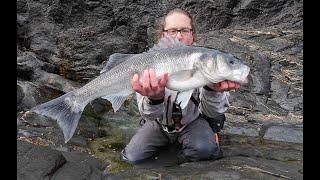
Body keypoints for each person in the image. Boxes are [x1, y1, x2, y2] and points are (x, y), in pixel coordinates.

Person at [120, 8, 240, 164]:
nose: (178, 36)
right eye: (172, 31)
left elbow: (212, 112)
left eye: (184, 30)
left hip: (192, 123)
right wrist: (155, 99)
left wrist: (212, 90)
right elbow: (148, 115)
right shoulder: (146, 62)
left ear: (192, 34)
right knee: (132, 158)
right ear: (162, 35)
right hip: (159, 124)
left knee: (205, 150)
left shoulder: (210, 61)